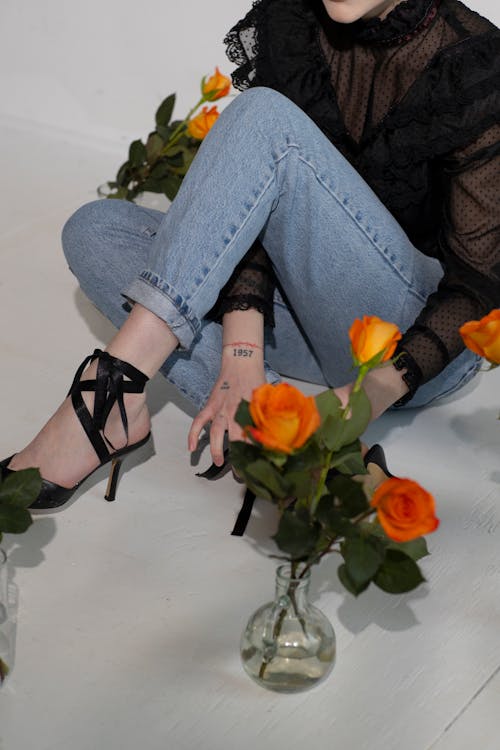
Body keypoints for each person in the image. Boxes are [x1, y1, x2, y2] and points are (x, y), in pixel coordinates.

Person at [1, 0, 499, 509]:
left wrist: (369, 396)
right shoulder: (295, 19)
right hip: (302, 319)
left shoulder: (473, 59)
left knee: (264, 116)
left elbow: (478, 285)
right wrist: (243, 352)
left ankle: (110, 391)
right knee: (95, 230)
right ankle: (281, 428)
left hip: (415, 342)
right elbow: (255, 202)